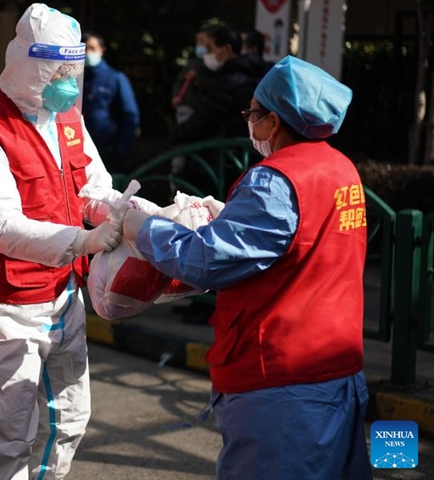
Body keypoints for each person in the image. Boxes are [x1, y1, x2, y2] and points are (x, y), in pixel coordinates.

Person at [122, 56, 371, 479]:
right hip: (337, 369)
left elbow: (204, 261)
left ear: (273, 123)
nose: (249, 123)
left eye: (252, 114)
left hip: (278, 380)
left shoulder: (274, 180)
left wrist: (144, 229)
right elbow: (297, 242)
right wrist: (233, 218)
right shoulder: (340, 168)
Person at [0, 4, 162, 478]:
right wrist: (85, 241)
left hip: (65, 295)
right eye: (57, 70)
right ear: (27, 64)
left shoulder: (68, 119)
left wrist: (132, 214)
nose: (68, 80)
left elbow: (93, 189)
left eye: (72, 69)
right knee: (5, 439)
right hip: (5, 308)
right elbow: (1, 227)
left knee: (70, 420)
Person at [82, 31, 139, 173]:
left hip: (108, 149)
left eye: (92, 48)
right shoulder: (76, 79)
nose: (88, 52)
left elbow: (130, 116)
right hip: (80, 148)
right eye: (83, 49)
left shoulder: (116, 78)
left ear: (102, 50)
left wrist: (120, 148)